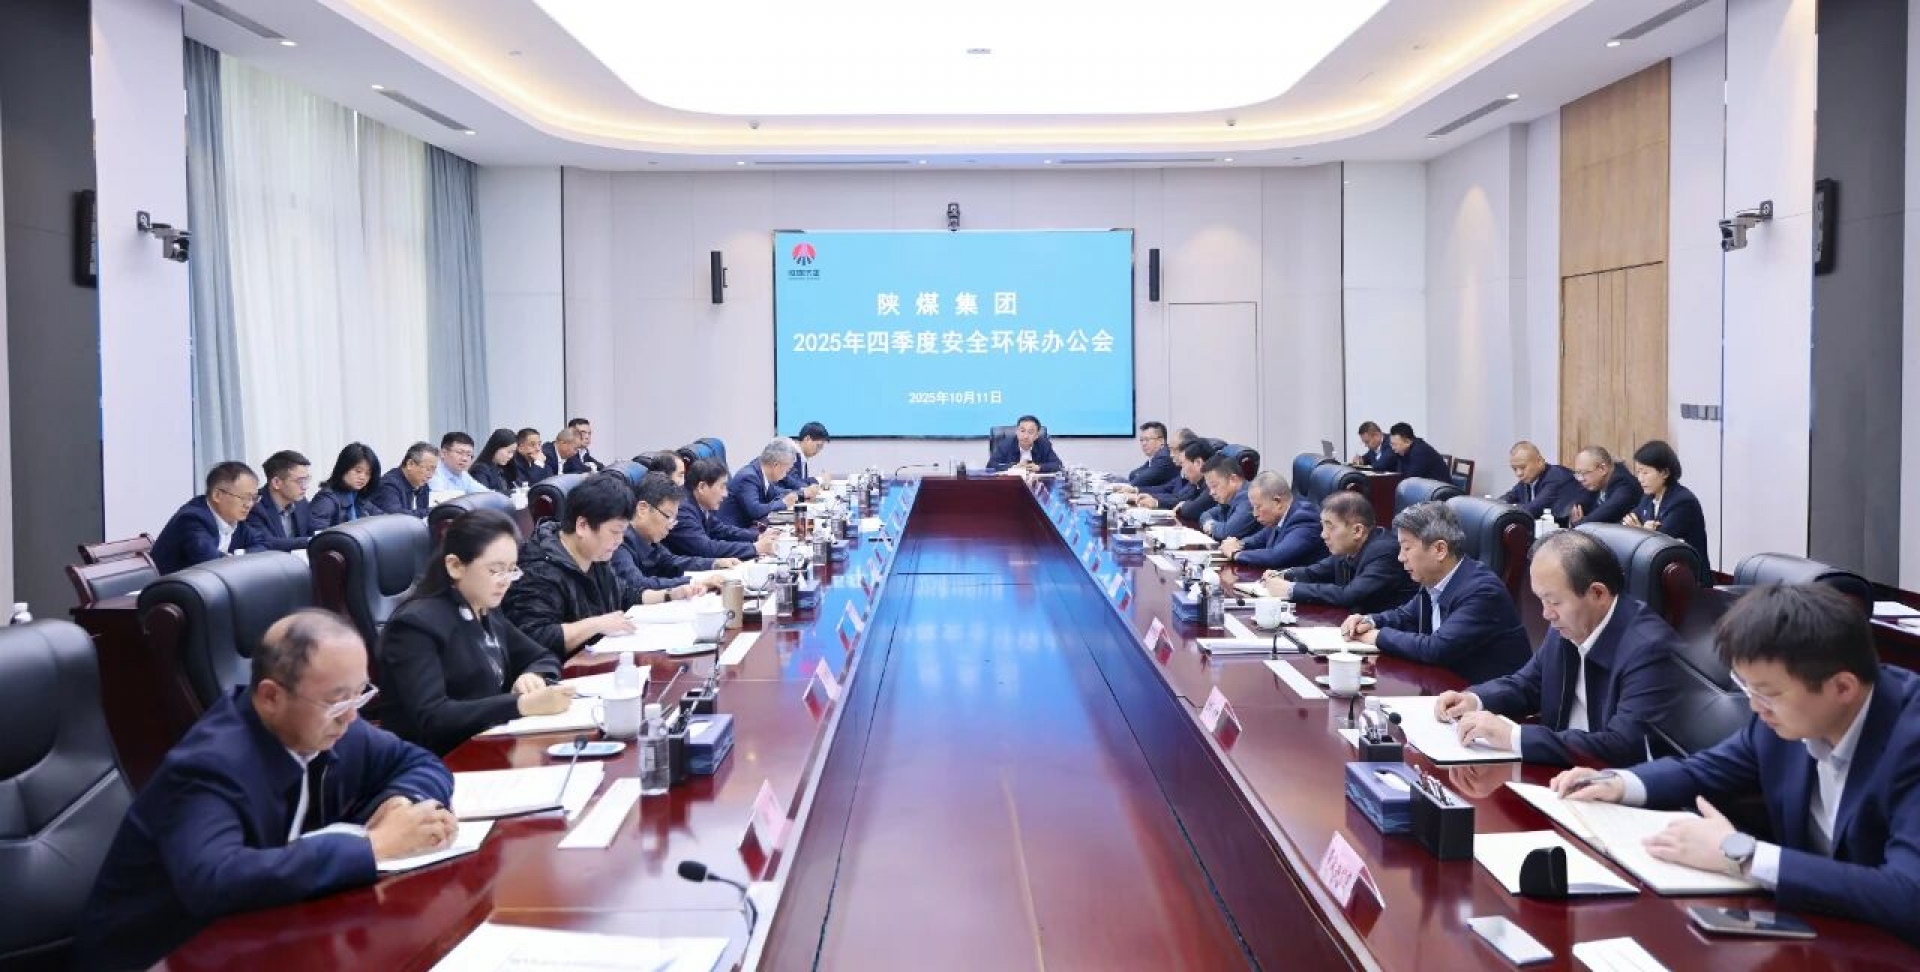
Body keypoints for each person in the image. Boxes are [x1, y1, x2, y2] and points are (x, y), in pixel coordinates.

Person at [74, 610, 456, 969]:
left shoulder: (332, 727)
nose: (352, 716)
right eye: (337, 700)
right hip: (162, 955)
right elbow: (215, 880)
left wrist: (398, 803)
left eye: (360, 694)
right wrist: (374, 846)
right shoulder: (208, 766)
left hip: (265, 932)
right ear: (271, 696)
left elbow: (420, 762)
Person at [1551, 584, 1920, 946]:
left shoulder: (1911, 740)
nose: (1755, 707)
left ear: (1842, 688)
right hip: (1816, 934)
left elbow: (1908, 895)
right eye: (1747, 689)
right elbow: (1707, 769)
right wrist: (1618, 783)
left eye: (1768, 694)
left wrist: (1741, 854)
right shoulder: (1786, 718)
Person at [1433, 529, 1683, 766]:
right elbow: (1528, 685)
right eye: (1541, 600)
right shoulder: (1569, 624)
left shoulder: (1651, 649)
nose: (1546, 614)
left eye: (1553, 601)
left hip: (1608, 783)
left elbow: (1622, 747)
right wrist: (1474, 699)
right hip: (1558, 771)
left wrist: (1513, 736)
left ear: (1598, 593)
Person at [377, 509, 572, 755]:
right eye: (495, 570)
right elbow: (433, 716)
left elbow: (543, 656)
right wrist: (520, 705)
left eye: (511, 569)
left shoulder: (485, 607)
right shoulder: (414, 626)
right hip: (441, 761)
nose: (505, 581)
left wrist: (533, 675)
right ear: (455, 566)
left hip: (489, 746)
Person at [1340, 501, 1531, 683]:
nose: (1400, 558)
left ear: (1439, 549)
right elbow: (1405, 616)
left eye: (1407, 548)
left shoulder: (1483, 591)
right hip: (1446, 686)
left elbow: (1436, 648)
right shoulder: (1435, 580)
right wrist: (1369, 621)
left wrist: (1377, 636)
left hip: (1487, 698)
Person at [500, 471, 644, 660]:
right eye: (615, 532)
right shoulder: (538, 568)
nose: (620, 540)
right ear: (582, 525)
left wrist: (670, 594)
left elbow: (624, 595)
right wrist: (596, 624)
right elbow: (535, 638)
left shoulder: (595, 554)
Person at [1261, 492, 1416, 614]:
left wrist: (1290, 589)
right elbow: (1313, 572)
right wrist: (1281, 575)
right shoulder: (1347, 549)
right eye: (1323, 526)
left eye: (1330, 527)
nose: (1323, 535)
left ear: (1357, 531)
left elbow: (1349, 595)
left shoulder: (1385, 552)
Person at [611, 472, 735, 598]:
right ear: (643, 509)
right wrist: (693, 582)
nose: (671, 525)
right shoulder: (619, 542)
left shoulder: (649, 539)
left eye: (674, 519)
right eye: (668, 517)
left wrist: (714, 563)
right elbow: (638, 585)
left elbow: (672, 562)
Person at [152, 461, 260, 574]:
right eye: (244, 497)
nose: (249, 505)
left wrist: (237, 556)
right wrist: (240, 558)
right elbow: (211, 562)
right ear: (217, 495)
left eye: (253, 498)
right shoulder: (191, 519)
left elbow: (263, 545)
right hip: (172, 584)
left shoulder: (235, 519)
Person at [1625, 439, 1710, 575]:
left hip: (1686, 577)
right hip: (1658, 572)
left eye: (1645, 473)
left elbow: (1659, 543)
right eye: (1638, 472)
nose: (1640, 479)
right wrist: (1643, 530)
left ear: (1665, 473)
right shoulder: (1648, 498)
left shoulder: (1683, 502)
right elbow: (1628, 521)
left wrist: (1641, 531)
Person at [669, 458, 780, 561]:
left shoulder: (699, 503)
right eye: (722, 487)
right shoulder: (682, 510)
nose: (725, 494)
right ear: (702, 487)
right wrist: (754, 548)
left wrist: (757, 535)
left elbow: (722, 530)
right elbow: (705, 548)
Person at [1220, 471, 1326, 571]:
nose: (1255, 514)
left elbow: (1276, 556)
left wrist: (1236, 554)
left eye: (1258, 507)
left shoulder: (1305, 519)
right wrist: (1239, 544)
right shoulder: (1279, 518)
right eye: (1253, 508)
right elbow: (1259, 539)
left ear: (1277, 502)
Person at [718, 438, 800, 529]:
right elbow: (755, 510)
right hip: (736, 532)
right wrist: (783, 503)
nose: (786, 475)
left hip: (751, 527)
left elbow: (776, 492)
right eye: (787, 470)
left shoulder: (761, 472)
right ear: (776, 465)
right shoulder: (748, 477)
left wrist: (798, 494)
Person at [243, 450, 316, 552]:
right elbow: (267, 542)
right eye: (300, 481)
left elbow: (312, 530)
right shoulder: (255, 506)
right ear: (276, 483)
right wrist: (310, 541)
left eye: (307, 480)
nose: (305, 487)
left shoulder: (301, 502)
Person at [1499, 440, 1581, 520]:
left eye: (1523, 467)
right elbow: (1507, 498)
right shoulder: (1527, 481)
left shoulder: (1556, 477)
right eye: (1514, 469)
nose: (1518, 473)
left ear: (1539, 461)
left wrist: (1510, 507)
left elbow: (1532, 509)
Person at [1137, 438, 1216, 519]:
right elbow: (1178, 498)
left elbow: (1192, 510)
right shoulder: (1196, 482)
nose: (1182, 470)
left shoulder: (1213, 484)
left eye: (1183, 464)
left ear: (1198, 463)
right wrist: (1155, 502)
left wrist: (1184, 505)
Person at [1566, 445, 1643, 527]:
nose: (1580, 479)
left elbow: (1596, 520)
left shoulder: (1626, 486)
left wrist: (1577, 524)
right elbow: (1575, 506)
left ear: (1602, 469)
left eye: (1583, 473)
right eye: (1578, 474)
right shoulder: (1595, 483)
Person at [309, 443, 381, 529]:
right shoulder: (326, 501)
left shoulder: (357, 497)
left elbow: (383, 519)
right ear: (343, 468)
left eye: (368, 473)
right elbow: (318, 534)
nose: (363, 477)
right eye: (358, 471)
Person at [1198, 453, 1259, 541]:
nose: (1211, 493)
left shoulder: (1249, 497)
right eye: (1209, 488)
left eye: (1214, 486)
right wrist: (1211, 524)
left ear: (1233, 480)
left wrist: (1211, 527)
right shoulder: (1229, 498)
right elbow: (1205, 514)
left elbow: (1228, 532)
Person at [370, 442, 440, 518]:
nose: (430, 476)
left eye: (434, 470)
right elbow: (397, 518)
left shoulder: (422, 485)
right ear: (410, 464)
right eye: (428, 469)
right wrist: (435, 511)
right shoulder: (388, 485)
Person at [986, 415, 1063, 474]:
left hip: (1036, 484)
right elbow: (990, 466)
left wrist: (1039, 467)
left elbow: (1058, 465)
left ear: (1036, 436)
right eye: (1022, 431)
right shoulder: (1005, 445)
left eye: (1030, 432)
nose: (1025, 436)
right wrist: (1013, 467)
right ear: (1017, 432)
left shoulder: (1044, 445)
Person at [1116, 421, 1179, 493]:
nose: (1143, 443)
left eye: (1147, 439)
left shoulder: (1164, 457)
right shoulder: (1155, 457)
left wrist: (1121, 487)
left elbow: (1139, 481)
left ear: (1161, 441)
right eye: (1141, 440)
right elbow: (1134, 474)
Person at [779, 421, 830, 498]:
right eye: (818, 446)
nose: (819, 450)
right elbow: (794, 483)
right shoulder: (790, 455)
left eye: (821, 448)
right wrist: (820, 480)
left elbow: (802, 481)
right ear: (807, 439)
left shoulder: (802, 457)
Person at [1387, 422, 1451, 483]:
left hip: (1441, 488)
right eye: (1391, 444)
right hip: (1426, 487)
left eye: (1395, 444)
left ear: (1407, 442)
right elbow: (1399, 475)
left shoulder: (1420, 451)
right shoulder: (1402, 452)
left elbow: (1410, 480)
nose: (1392, 448)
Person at [471, 428, 519, 495]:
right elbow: (484, 495)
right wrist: (513, 492)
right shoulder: (480, 470)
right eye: (509, 452)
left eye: (513, 452)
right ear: (496, 447)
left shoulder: (504, 467)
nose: (510, 456)